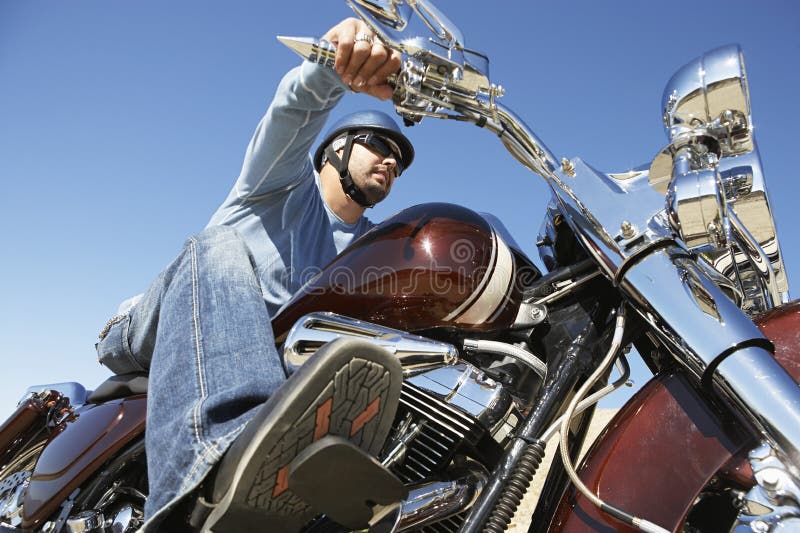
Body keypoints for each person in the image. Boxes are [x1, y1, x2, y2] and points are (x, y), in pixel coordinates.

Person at [95, 17, 414, 532]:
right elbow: (292, 113)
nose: (390, 162)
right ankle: (216, 470)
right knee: (219, 247)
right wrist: (335, 67)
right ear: (336, 148)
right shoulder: (281, 184)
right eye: (378, 144)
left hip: (263, 361)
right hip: (154, 324)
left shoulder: (370, 252)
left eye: (398, 160)